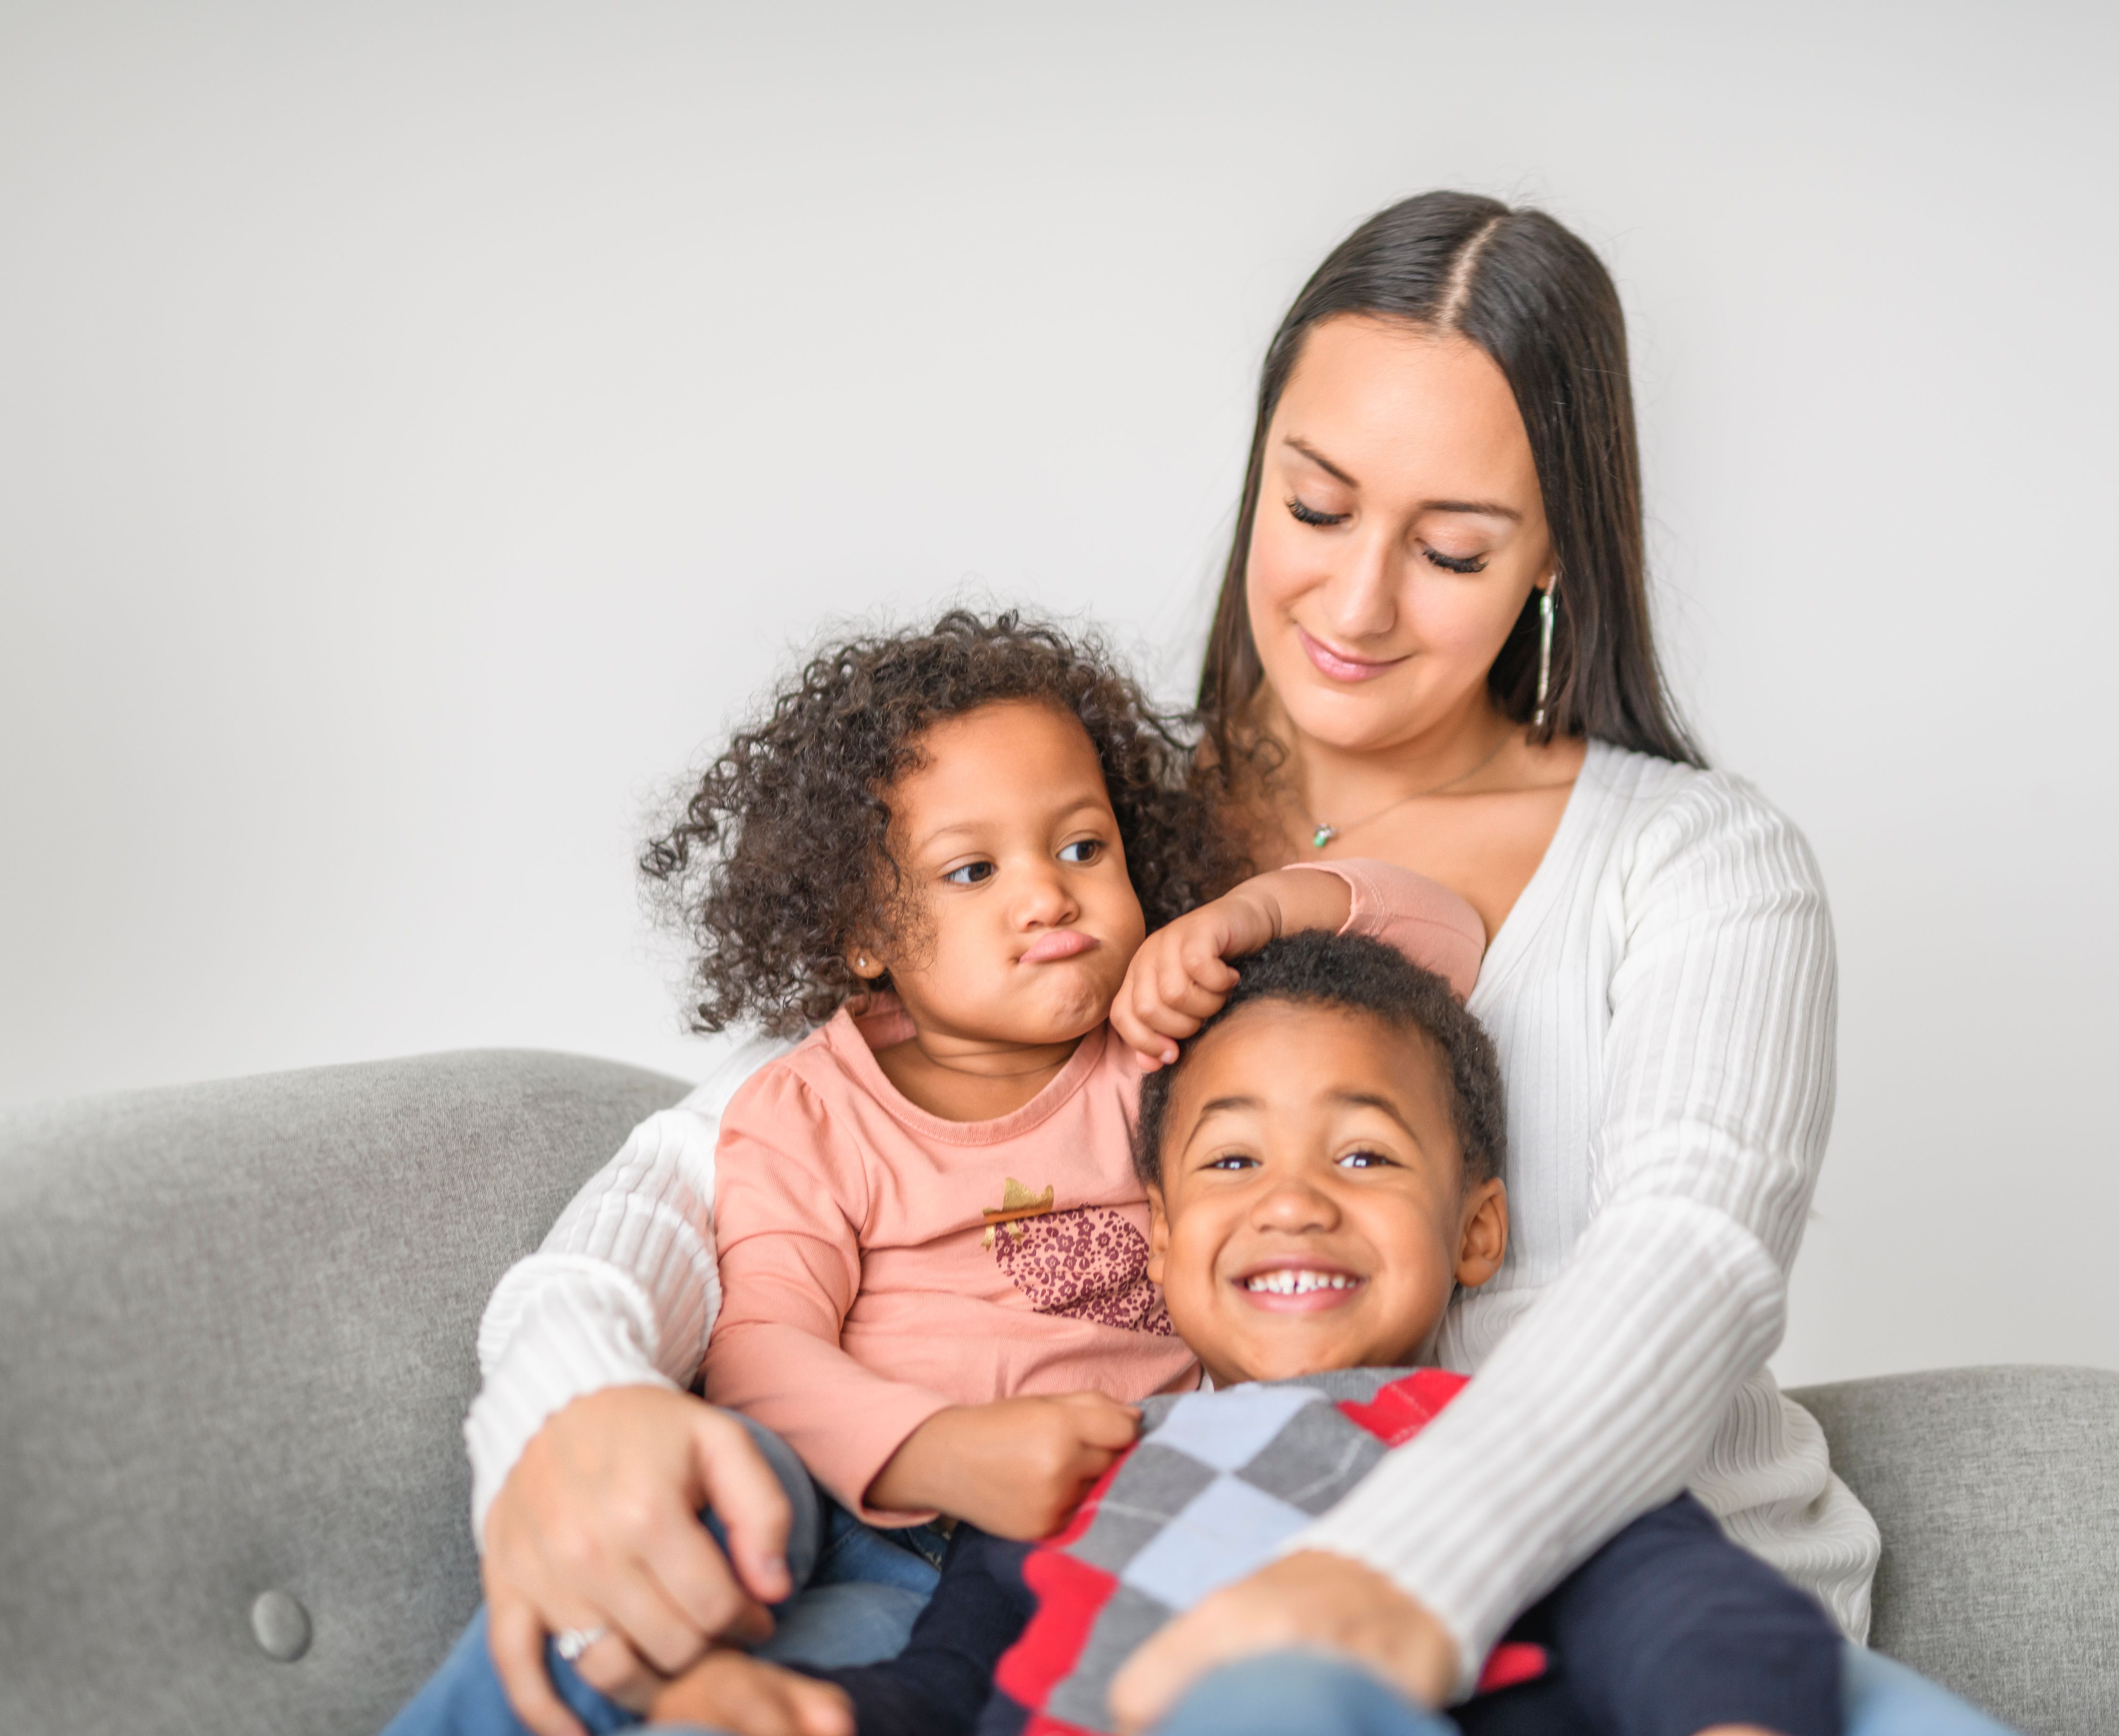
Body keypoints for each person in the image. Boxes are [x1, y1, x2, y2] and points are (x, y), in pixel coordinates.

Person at [466, 189, 1929, 1735]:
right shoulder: (1101, 824)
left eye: (1448, 546)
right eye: (1314, 509)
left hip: (1638, 1613)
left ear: (1554, 545)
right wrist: (569, 1403)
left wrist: (1393, 1578)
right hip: (1182, 1565)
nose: (1356, 603)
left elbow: (1689, 1265)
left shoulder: (1699, 862)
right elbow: (752, 1143)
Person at [389, 611, 1486, 1735]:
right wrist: (939, 1450)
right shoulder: (810, 1112)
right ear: (866, 928)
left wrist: (1252, 915)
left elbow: (1441, 947)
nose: (1047, 895)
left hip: (1076, 1547)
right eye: (973, 869)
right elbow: (760, 1353)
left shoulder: (1170, 1049)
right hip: (869, 1531)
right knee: (740, 1525)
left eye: (1081, 847)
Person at [644, 930, 1874, 1736]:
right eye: (1233, 1158)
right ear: (1162, 1237)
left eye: (1362, 1153)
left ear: (1477, 1233)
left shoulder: (1503, 1434)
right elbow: (955, 1685)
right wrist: (816, 1715)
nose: (1291, 1199)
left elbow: (1693, 1608)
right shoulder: (1075, 1471)